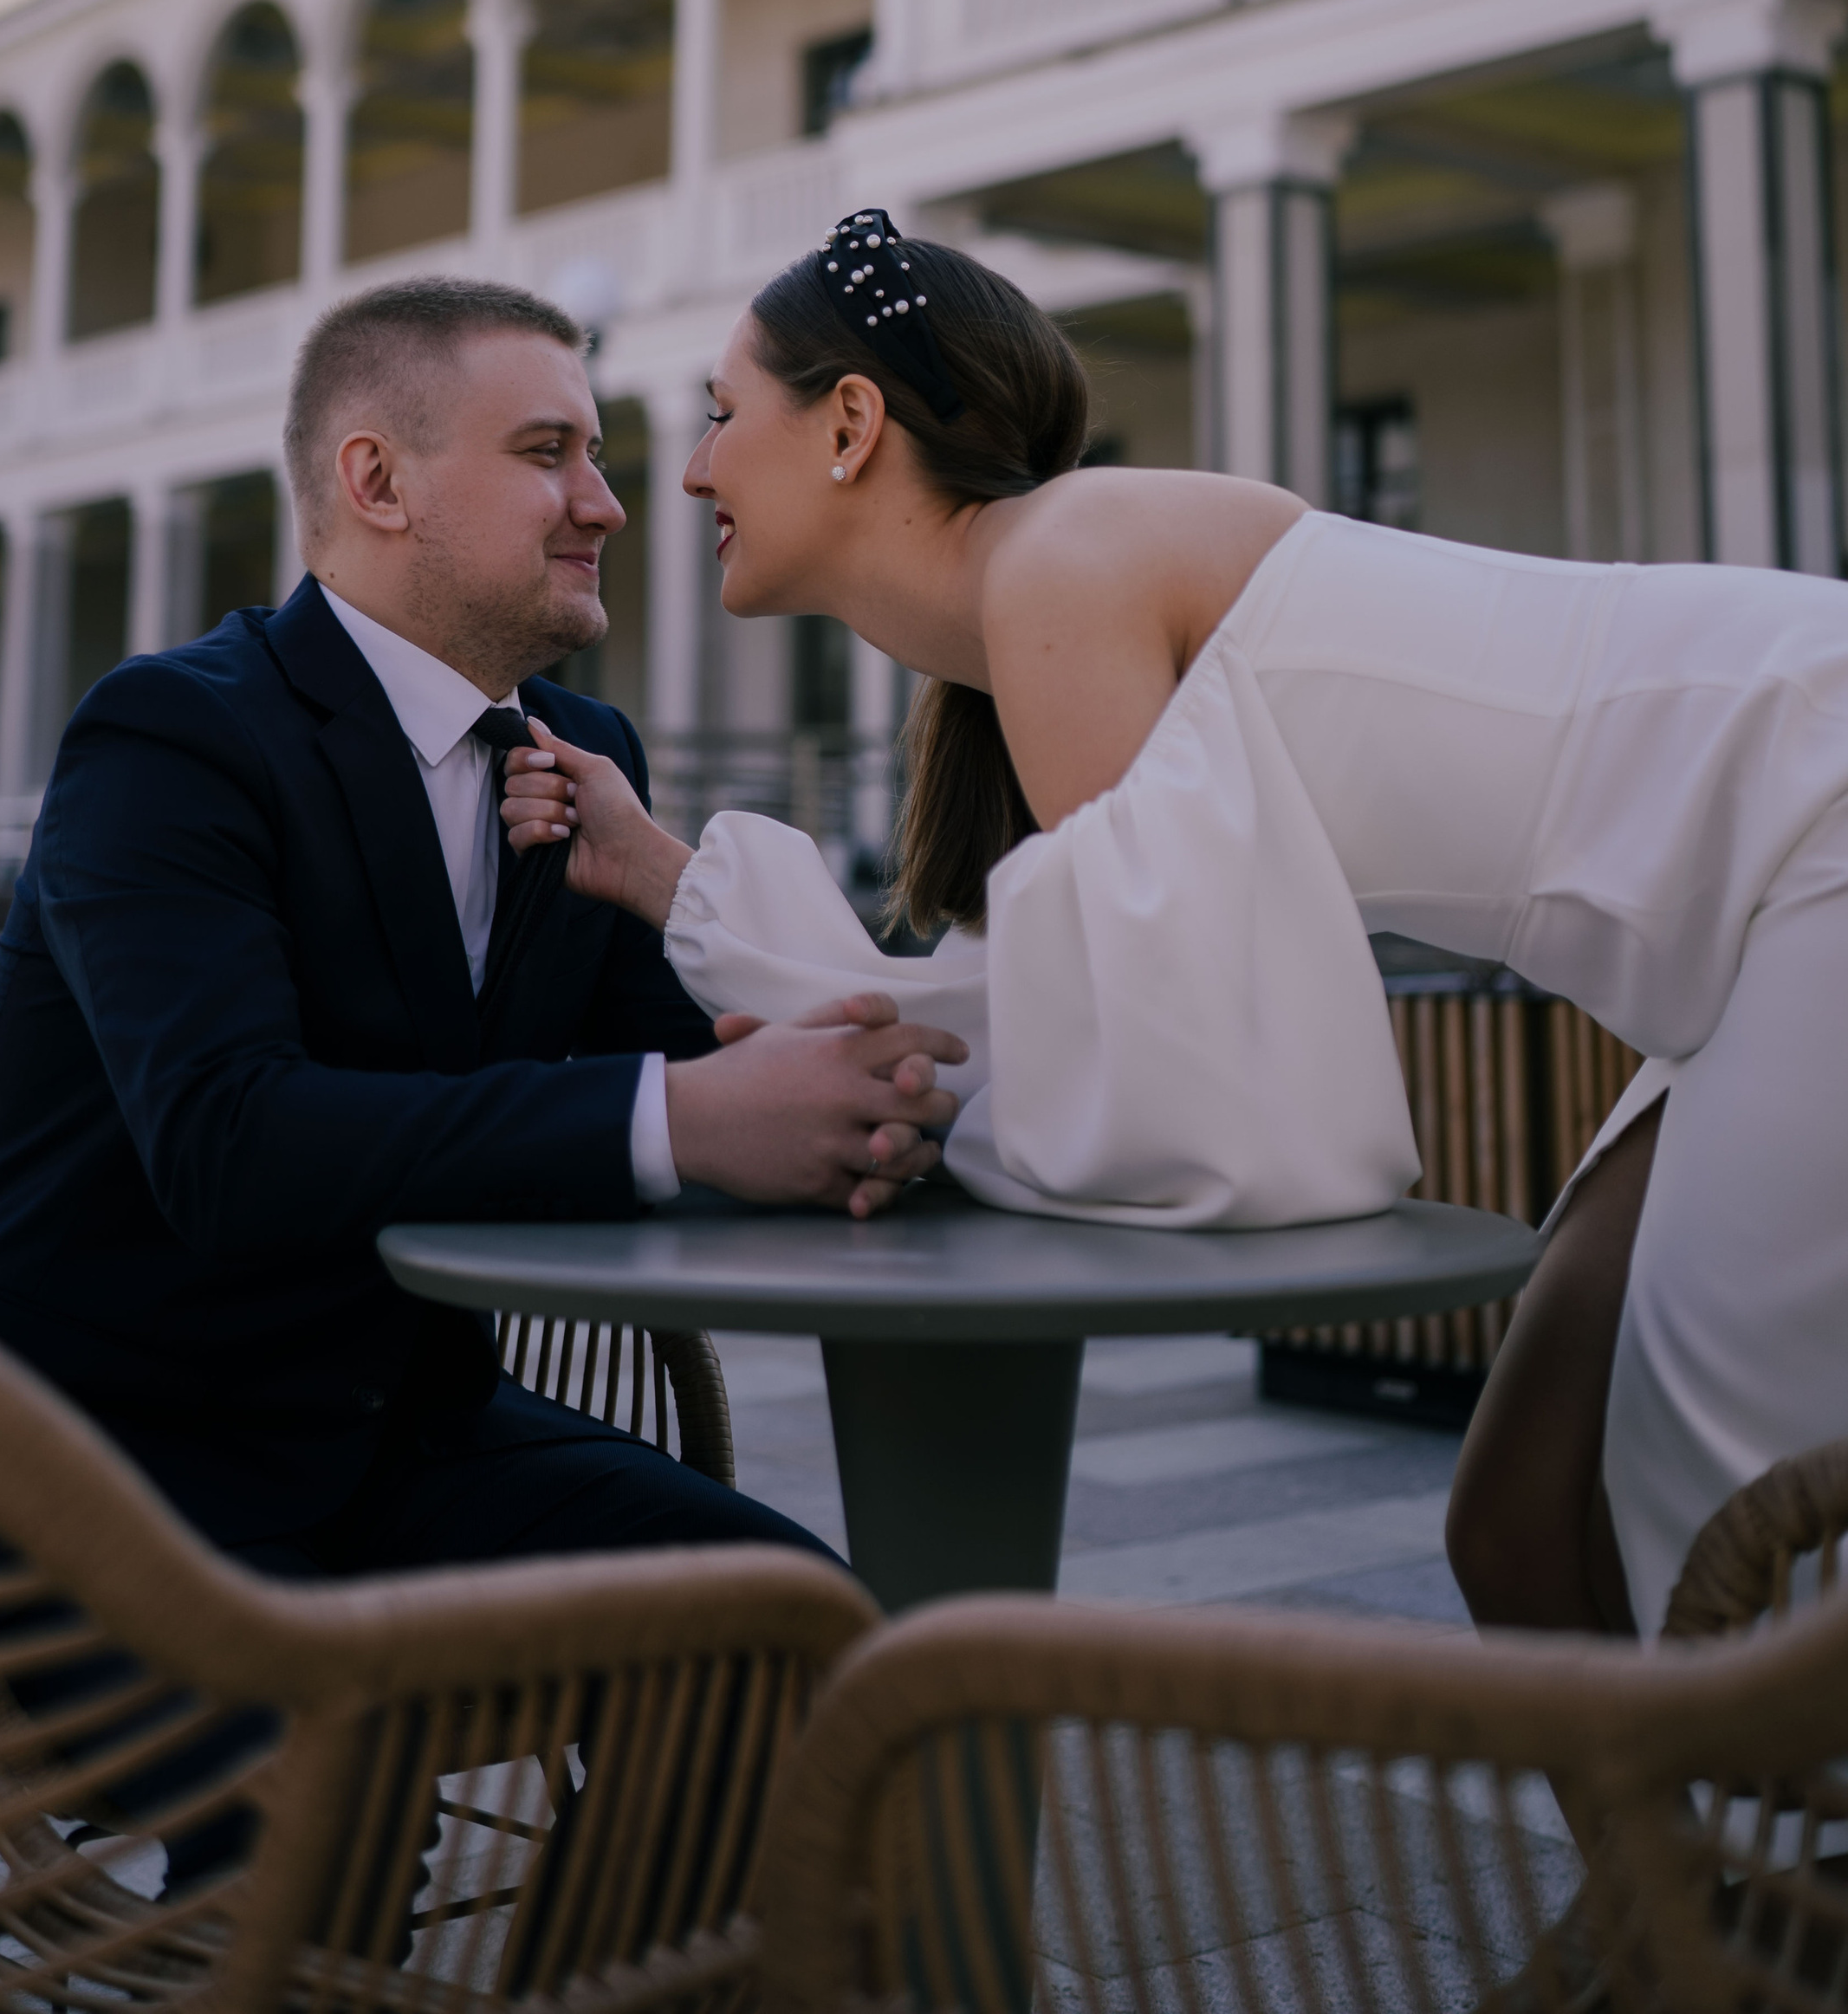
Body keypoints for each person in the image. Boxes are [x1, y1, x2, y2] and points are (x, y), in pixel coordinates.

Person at [497, 208, 1848, 1643]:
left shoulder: (1060, 570)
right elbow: (1038, 1021)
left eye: (718, 414)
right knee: (1516, 1522)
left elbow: (1159, 1088)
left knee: (1727, 1561)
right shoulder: (1046, 589)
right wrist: (667, 876)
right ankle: (1672, 1875)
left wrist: (710, 932)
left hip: (1809, 819)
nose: (689, 467)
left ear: (849, 423)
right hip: (1745, 911)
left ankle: (1742, 1873)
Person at [0, 274, 964, 1595]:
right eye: (545, 454)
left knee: (814, 1641)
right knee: (348, 1797)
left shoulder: (592, 757)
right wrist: (683, 1117)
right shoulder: (173, 735)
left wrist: (797, 1045)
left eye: (596, 454)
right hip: (80, 1474)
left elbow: (720, 1069)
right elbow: (230, 1143)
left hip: (405, 1446)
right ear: (379, 483)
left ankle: (648, 1814)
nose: (609, 502)